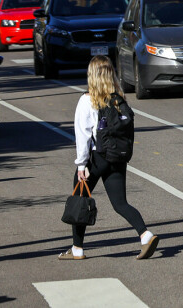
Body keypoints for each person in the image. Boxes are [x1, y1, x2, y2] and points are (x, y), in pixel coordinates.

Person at [61, 56, 158, 260]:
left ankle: (77, 249)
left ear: (92, 76)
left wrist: (81, 165)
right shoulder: (118, 100)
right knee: (120, 203)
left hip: (96, 158)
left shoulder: (87, 100)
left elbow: (83, 135)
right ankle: (145, 235)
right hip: (117, 157)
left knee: (79, 199)